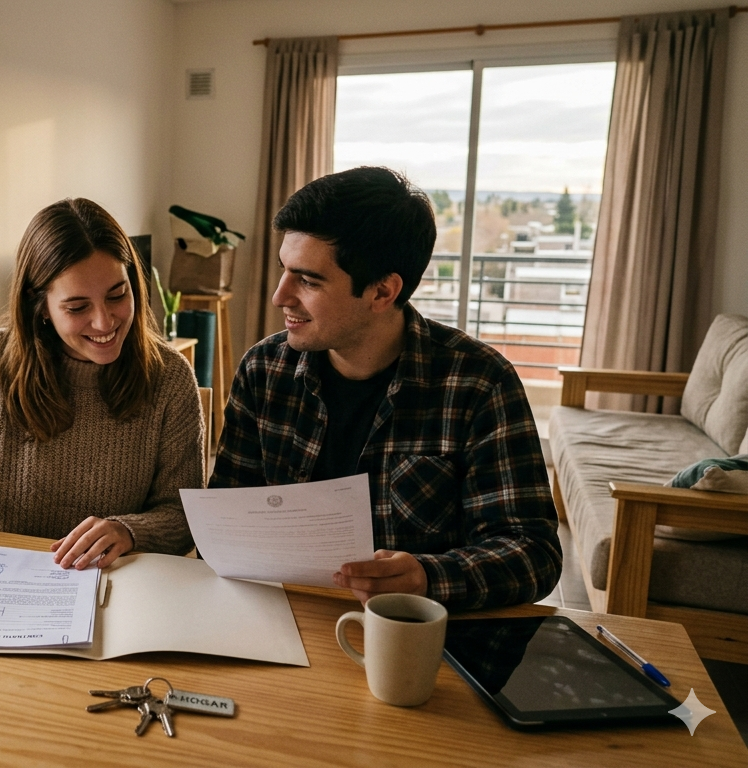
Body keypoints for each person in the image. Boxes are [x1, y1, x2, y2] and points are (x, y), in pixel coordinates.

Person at [211, 166, 562, 610]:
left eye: (308, 280)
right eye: (284, 270)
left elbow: (534, 552)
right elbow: (224, 515)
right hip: (281, 613)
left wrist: (428, 576)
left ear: (382, 292)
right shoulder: (264, 370)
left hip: (414, 631)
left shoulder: (479, 383)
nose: (280, 296)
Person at [0, 198, 205, 594]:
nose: (104, 321)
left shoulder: (170, 378)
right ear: (42, 306)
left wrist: (129, 531)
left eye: (118, 295)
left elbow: (183, 515)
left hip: (117, 592)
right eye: (77, 307)